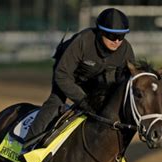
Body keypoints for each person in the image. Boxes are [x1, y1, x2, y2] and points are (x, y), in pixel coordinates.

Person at [24, 8, 135, 148]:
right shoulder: (83, 41)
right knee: (55, 102)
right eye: (112, 36)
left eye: (122, 36)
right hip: (67, 75)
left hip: (94, 80)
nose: (117, 41)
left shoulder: (125, 50)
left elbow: (126, 82)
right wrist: (83, 100)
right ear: (100, 32)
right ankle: (27, 145)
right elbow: (62, 75)